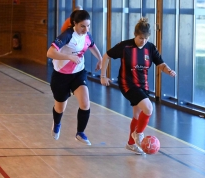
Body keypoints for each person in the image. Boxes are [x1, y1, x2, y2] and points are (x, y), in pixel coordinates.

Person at [100, 17, 176, 154]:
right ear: (135, 35)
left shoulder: (150, 47)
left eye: (146, 38)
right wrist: (103, 76)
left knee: (137, 114)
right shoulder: (125, 46)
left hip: (143, 85)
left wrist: (169, 70)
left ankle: (130, 143)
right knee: (148, 108)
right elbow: (106, 56)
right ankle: (139, 134)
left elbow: (161, 64)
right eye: (141, 38)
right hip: (127, 84)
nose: (144, 41)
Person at [47, 10, 102, 145]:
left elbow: (92, 46)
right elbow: (50, 52)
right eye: (82, 26)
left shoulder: (87, 36)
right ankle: (57, 123)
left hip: (78, 73)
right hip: (61, 76)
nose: (86, 29)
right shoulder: (67, 35)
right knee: (60, 108)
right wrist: (69, 57)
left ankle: (80, 133)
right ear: (74, 24)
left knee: (85, 103)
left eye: (88, 26)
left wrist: (100, 59)